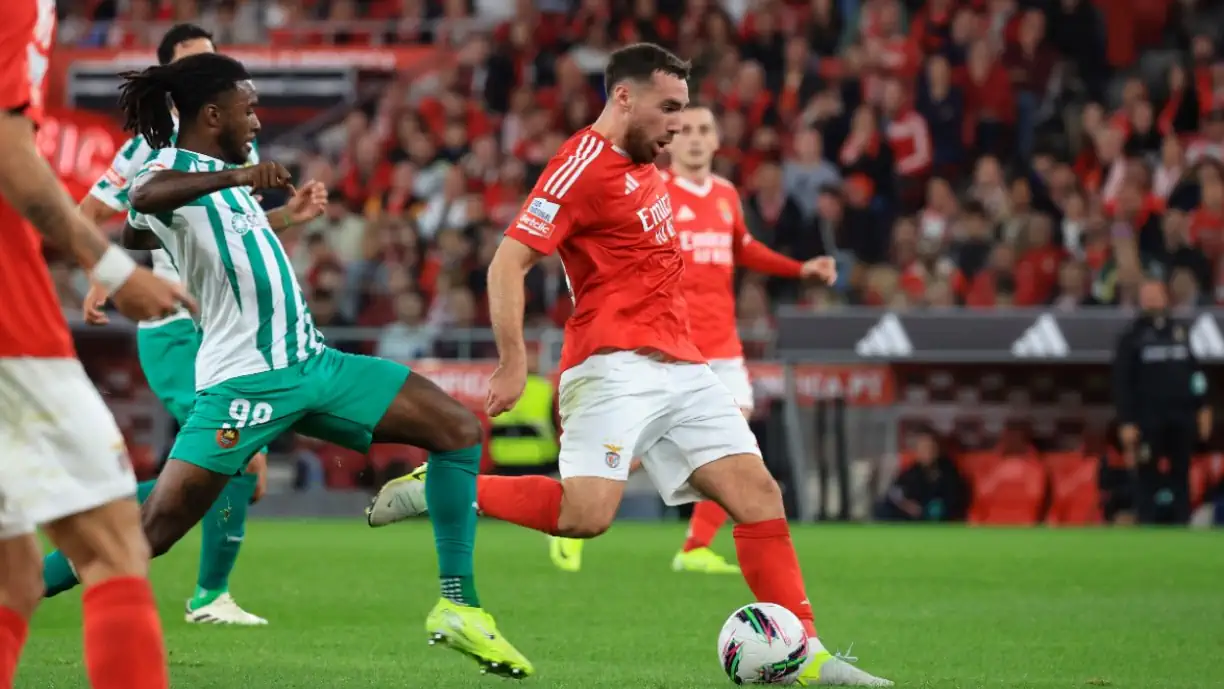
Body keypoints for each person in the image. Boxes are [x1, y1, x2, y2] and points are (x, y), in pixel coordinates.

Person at [364, 43, 891, 687]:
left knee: (758, 495)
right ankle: (443, 488)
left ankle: (806, 655)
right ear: (623, 97)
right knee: (586, 516)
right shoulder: (579, 163)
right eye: (668, 109)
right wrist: (511, 360)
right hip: (613, 366)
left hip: (684, 364)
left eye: (685, 111)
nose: (677, 126)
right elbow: (508, 261)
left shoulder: (648, 165)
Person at [40, 52, 534, 678]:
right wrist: (232, 182)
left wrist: (276, 215)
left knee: (457, 431)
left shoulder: (222, 180)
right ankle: (23, 590)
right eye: (248, 107)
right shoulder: (178, 169)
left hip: (314, 364)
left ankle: (460, 607)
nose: (257, 118)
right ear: (212, 114)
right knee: (150, 533)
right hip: (244, 385)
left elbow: (161, 229)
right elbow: (144, 196)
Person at [542, 104, 836, 573]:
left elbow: (742, 249)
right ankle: (577, 507)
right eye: (688, 130)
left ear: (718, 141)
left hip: (722, 343)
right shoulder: (653, 192)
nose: (696, 138)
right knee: (639, 446)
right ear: (671, 141)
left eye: (705, 130)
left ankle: (695, 545)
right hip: (668, 347)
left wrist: (800, 270)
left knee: (736, 445)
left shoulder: (725, 195)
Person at [0, 2, 191, 687]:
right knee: (113, 544)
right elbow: (9, 154)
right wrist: (115, 271)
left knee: (14, 576)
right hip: (9, 326)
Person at [57, 22, 271, 626]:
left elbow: (237, 241)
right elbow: (93, 212)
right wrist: (111, 272)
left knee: (229, 463)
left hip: (223, 327)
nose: (215, 73)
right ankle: (202, 592)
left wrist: (297, 220)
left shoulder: (237, 145)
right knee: (233, 459)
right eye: (196, 65)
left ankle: (203, 590)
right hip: (176, 325)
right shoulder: (147, 148)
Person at [1112, 279, 1212, 525]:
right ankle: (1147, 523)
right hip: (1148, 419)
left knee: (1181, 471)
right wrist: (1126, 421)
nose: (1152, 300)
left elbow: (1195, 373)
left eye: (1156, 295)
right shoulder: (1131, 337)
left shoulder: (1181, 332)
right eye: (1147, 296)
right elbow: (1122, 383)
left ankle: (1181, 522)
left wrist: (1203, 406)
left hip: (1181, 416)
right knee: (1146, 472)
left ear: (1166, 298)